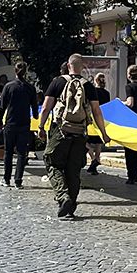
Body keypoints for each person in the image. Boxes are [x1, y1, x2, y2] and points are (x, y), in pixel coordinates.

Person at [37, 54, 112, 220]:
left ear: (68, 65)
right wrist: (103, 134)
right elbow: (97, 112)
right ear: (82, 66)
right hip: (80, 132)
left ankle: (63, 197)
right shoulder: (88, 86)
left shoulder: (58, 82)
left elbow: (45, 108)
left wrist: (41, 127)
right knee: (74, 169)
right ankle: (71, 206)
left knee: (52, 162)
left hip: (60, 130)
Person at [0, 62, 38, 189]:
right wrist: (36, 116)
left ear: (15, 71)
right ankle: (18, 180)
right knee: (21, 153)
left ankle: (6, 178)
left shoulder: (8, 87)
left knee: (8, 152)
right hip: (25, 123)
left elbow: (2, 106)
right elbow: (35, 106)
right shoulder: (30, 88)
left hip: (11, 122)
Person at [85, 73, 111, 175]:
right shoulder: (107, 93)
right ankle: (96, 159)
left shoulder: (93, 91)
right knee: (98, 142)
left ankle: (92, 158)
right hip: (102, 119)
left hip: (92, 118)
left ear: (95, 81)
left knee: (85, 140)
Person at [122, 65, 137, 184]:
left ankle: (132, 176)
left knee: (129, 150)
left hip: (131, 121)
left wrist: (121, 103)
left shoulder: (129, 87)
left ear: (129, 75)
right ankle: (136, 175)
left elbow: (130, 103)